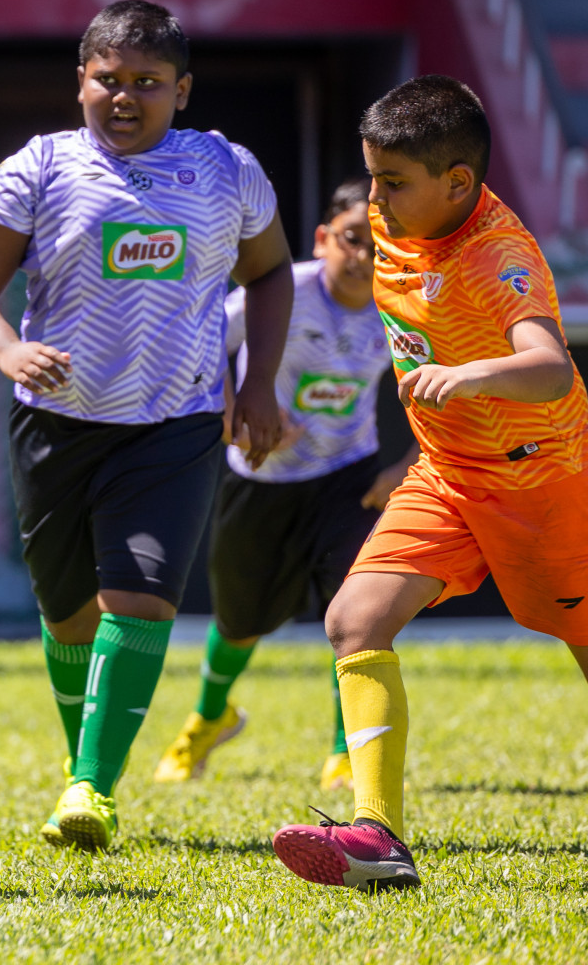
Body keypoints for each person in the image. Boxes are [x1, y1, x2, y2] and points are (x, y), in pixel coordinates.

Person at [0, 0, 295, 852]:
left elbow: (274, 271)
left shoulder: (226, 170)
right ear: (81, 82)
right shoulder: (39, 168)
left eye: (148, 82)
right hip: (55, 425)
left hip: (173, 424)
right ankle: (83, 766)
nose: (126, 97)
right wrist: (3, 349)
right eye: (109, 80)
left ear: (183, 89)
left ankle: (93, 787)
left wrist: (258, 386)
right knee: (68, 618)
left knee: (137, 600)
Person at [272, 75, 588, 892]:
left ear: (459, 184)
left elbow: (551, 369)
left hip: (544, 484)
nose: (373, 199)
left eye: (391, 181)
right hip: (448, 477)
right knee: (354, 620)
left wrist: (470, 374)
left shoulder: (499, 256)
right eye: (371, 176)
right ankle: (378, 837)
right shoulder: (391, 225)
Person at [151, 178, 419, 792]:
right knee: (239, 620)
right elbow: (202, 342)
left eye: (383, 246)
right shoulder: (281, 294)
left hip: (349, 478)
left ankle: (343, 751)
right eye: (354, 240)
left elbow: (448, 384)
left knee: (354, 609)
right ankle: (208, 718)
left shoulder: (401, 306)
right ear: (324, 239)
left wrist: (403, 465)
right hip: (261, 479)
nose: (366, 258)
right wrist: (233, 414)